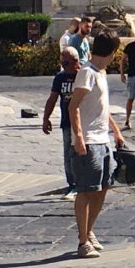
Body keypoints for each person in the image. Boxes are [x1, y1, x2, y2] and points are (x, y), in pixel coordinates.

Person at [67, 31, 124, 259]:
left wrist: (116, 131)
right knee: (85, 190)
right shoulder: (87, 73)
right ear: (111, 51)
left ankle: (90, 232)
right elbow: (74, 107)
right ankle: (83, 241)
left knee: (102, 188)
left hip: (103, 140)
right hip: (89, 140)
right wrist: (79, 137)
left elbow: (102, 107)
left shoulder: (100, 72)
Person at [42, 47, 80, 200]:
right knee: (69, 155)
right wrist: (46, 118)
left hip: (84, 121)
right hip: (67, 121)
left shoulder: (84, 75)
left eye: (66, 62)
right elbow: (52, 99)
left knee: (84, 153)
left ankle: (86, 183)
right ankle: (73, 185)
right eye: (62, 62)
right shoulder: (60, 77)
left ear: (76, 61)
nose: (63, 66)